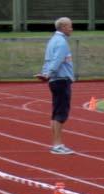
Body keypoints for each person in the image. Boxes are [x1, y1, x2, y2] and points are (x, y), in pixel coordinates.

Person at [36, 17, 75, 155]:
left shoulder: (53, 40)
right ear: (63, 27)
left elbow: (48, 60)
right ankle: (57, 145)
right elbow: (57, 60)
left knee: (56, 112)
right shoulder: (61, 42)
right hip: (61, 79)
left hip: (55, 80)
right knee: (61, 113)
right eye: (70, 26)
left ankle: (57, 143)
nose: (72, 28)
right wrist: (48, 73)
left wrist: (45, 73)